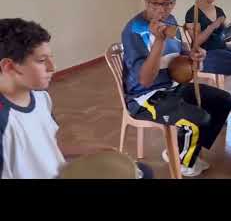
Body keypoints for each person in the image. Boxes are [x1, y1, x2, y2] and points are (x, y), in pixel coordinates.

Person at [0, 18, 152, 179]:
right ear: (9, 67)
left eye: (51, 58)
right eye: (42, 61)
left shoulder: (40, 98)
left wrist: (89, 150)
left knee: (143, 171)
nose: (53, 67)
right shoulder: (4, 121)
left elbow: (47, 145)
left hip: (60, 173)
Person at [122, 0, 231, 177]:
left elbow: (181, 52)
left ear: (173, 3)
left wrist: (193, 55)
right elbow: (145, 81)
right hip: (145, 97)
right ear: (145, 0)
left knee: (224, 100)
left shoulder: (171, 20)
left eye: (167, 3)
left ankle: (187, 152)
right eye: (154, 3)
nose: (160, 9)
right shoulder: (134, 31)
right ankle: (183, 162)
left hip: (173, 87)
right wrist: (158, 42)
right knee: (197, 119)